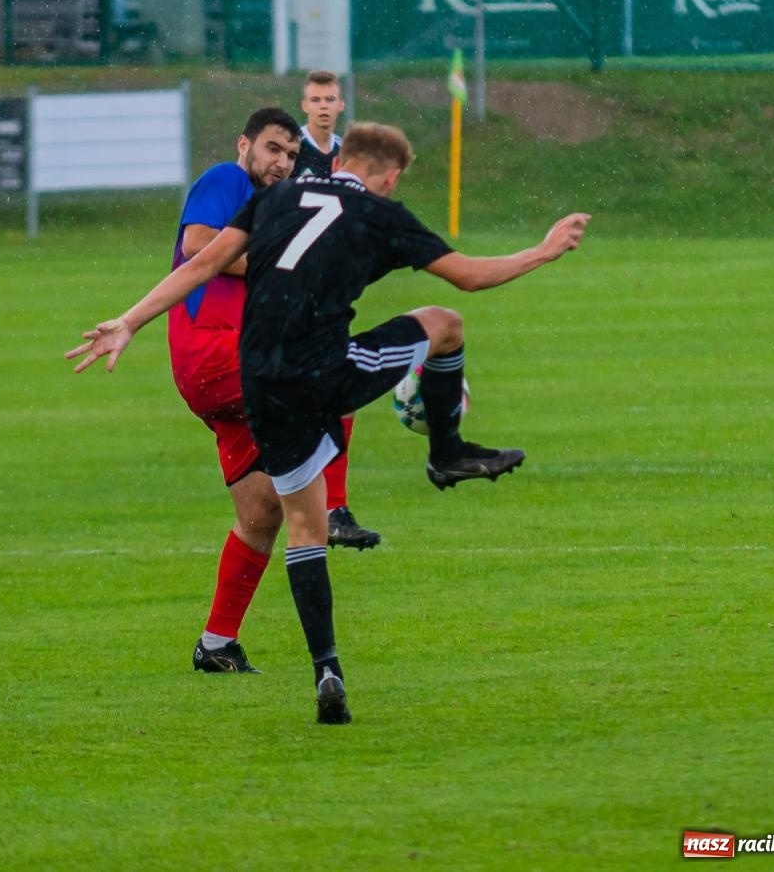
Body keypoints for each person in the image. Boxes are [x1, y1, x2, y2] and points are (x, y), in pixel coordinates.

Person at [70, 122, 589, 723]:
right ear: (390, 177)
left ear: (338, 160)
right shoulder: (381, 214)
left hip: (260, 383)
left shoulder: (278, 198)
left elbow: (203, 262)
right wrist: (544, 250)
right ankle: (446, 453)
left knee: (299, 525)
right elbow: (471, 275)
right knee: (445, 324)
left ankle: (327, 671)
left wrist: (130, 321)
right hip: (321, 373)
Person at [170, 107, 383, 677]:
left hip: (235, 374)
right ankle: (335, 510)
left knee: (261, 511)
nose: (281, 163)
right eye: (272, 149)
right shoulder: (225, 179)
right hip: (213, 351)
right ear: (243, 145)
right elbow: (197, 243)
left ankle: (217, 643)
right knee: (332, 374)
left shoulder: (276, 210)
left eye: (290, 155)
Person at [291, 69, 374, 549]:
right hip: (286, 291)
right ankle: (314, 504)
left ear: (341, 105)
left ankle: (331, 508)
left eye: (330, 99)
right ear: (304, 105)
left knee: (340, 392)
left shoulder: (348, 157)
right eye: (316, 99)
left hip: (327, 294)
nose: (323, 106)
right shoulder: (290, 152)